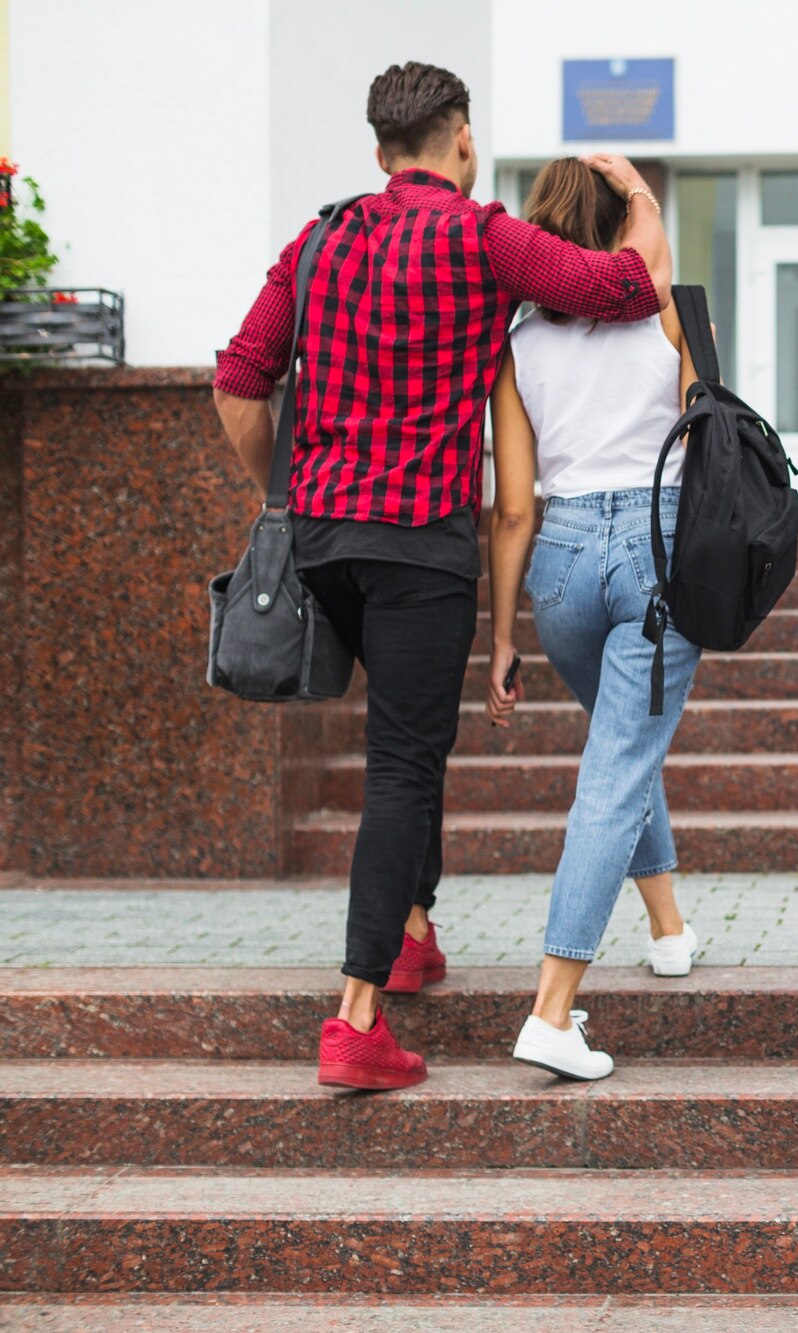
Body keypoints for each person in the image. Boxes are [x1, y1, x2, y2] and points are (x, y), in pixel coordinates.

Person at [213, 62, 674, 1091]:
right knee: (404, 763)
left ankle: (413, 928)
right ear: (459, 140)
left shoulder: (321, 237)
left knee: (408, 739)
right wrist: (639, 201)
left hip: (326, 536)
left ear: (381, 151)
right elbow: (624, 289)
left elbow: (242, 378)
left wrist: (283, 494)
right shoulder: (483, 236)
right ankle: (357, 1019)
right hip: (418, 542)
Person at [485, 158, 703, 1080]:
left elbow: (513, 506)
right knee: (616, 766)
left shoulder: (520, 339)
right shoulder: (667, 309)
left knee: (623, 742)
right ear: (627, 226)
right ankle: (552, 1008)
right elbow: (709, 425)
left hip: (562, 563)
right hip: (657, 547)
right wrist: (646, 202)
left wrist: (500, 634)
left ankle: (668, 928)